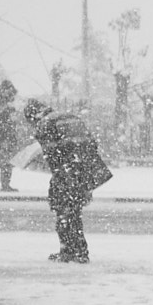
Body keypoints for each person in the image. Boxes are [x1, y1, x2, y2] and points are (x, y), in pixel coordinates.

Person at [25, 99, 112, 264]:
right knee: (74, 212)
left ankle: (69, 252)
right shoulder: (68, 117)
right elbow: (91, 143)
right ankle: (79, 252)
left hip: (67, 172)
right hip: (85, 168)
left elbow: (53, 155)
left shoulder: (45, 124)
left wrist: (58, 172)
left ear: (32, 117)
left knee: (64, 212)